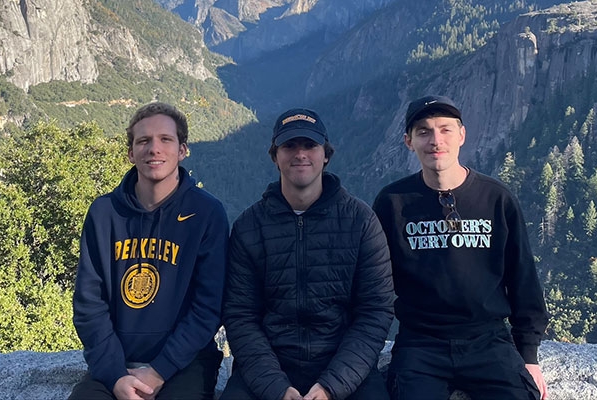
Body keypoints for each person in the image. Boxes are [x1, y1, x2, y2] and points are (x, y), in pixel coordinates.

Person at [371, 95, 550, 400]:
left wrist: (529, 355)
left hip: (489, 342)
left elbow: (523, 279)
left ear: (462, 135)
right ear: (408, 141)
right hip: (420, 345)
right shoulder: (392, 203)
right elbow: (374, 284)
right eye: (424, 131)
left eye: (445, 130)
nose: (435, 140)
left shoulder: (496, 199)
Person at [221, 108, 394, 400]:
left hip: (343, 366)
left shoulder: (360, 222)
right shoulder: (250, 227)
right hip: (268, 368)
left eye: (310, 145)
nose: (300, 154)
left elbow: (375, 311)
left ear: (325, 154)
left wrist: (332, 386)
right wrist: (276, 388)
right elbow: (240, 316)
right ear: (275, 156)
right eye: (289, 145)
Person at [70, 102, 228, 400]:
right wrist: (115, 375)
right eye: (143, 141)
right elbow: (89, 303)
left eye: (165, 140)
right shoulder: (104, 213)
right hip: (116, 363)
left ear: (182, 150)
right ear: (131, 152)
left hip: (186, 363)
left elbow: (209, 306)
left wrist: (158, 371)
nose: (154, 149)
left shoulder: (206, 213)